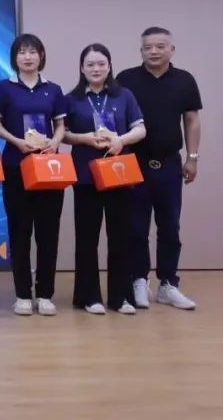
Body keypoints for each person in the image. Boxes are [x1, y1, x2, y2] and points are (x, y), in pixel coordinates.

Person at [117, 27, 201, 311]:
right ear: (141, 51)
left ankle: (168, 284)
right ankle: (138, 280)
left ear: (171, 50)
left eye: (160, 46)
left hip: (169, 165)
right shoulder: (126, 79)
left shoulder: (184, 80)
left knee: (170, 226)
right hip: (134, 163)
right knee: (135, 227)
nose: (154, 51)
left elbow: (192, 120)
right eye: (148, 47)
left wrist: (193, 157)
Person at [63, 43, 146, 315]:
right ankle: (88, 296)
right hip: (86, 175)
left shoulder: (124, 96)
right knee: (87, 237)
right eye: (90, 64)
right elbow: (62, 134)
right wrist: (85, 138)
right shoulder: (71, 98)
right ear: (82, 68)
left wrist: (121, 140)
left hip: (118, 173)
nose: (96, 69)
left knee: (120, 235)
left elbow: (140, 129)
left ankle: (121, 297)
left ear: (109, 66)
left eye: (101, 64)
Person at [0, 34, 67, 317]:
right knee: (19, 232)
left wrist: (53, 143)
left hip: (48, 169)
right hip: (16, 166)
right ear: (15, 57)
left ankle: (45, 294)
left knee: (48, 233)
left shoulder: (53, 89)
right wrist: (17, 142)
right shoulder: (3, 88)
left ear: (41, 56)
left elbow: (60, 125)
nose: (28, 57)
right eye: (22, 52)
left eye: (33, 52)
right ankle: (22, 294)